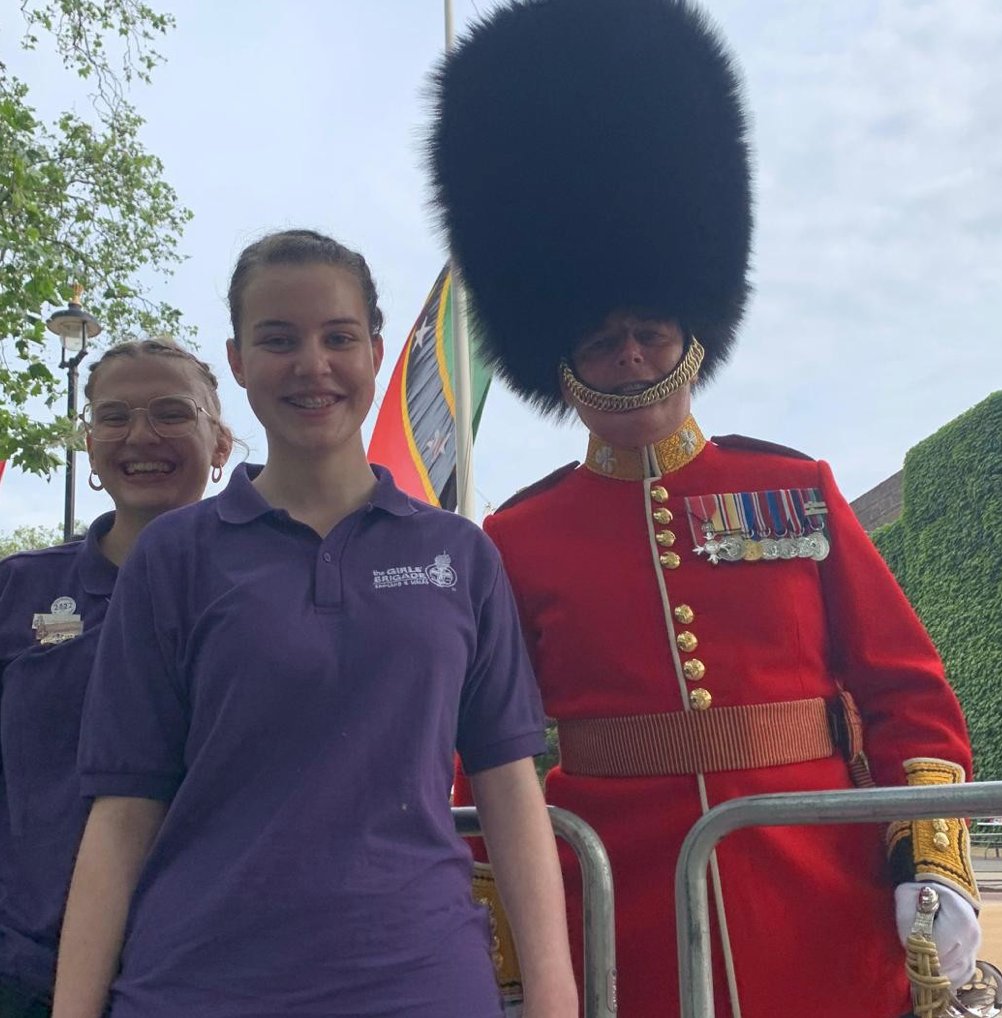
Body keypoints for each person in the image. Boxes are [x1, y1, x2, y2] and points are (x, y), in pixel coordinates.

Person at [432, 1, 981, 1015]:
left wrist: (931, 853)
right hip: (615, 898)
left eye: (649, 329)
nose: (630, 355)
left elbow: (905, 688)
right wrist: (500, 918)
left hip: (818, 887)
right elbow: (478, 741)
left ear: (694, 330)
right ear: (558, 357)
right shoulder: (515, 537)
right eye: (601, 340)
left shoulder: (792, 486)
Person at [51, 230, 576, 1018]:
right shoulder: (174, 557)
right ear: (236, 360)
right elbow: (123, 813)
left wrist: (554, 994)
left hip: (422, 983)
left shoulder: (458, 555)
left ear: (373, 348)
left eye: (337, 337)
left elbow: (508, 790)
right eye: (278, 339)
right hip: (197, 986)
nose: (312, 364)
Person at [0, 338, 234, 1018]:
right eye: (114, 416)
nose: (140, 436)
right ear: (90, 442)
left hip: (207, 970)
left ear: (219, 444)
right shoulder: (20, 591)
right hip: (28, 971)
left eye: (170, 413)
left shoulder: (268, 599)